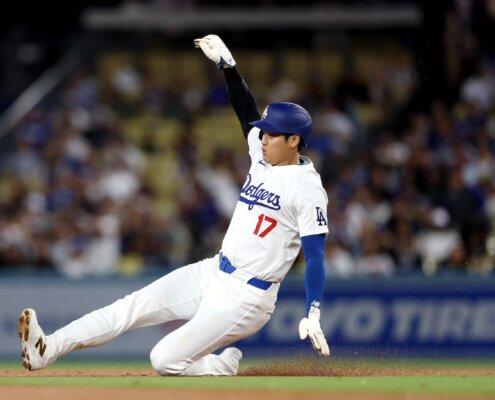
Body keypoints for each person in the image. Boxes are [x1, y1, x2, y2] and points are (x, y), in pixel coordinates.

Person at [18, 34, 330, 376]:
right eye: (264, 132)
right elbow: (246, 112)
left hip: (248, 297)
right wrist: (228, 67)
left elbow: (315, 255)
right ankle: (46, 349)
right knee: (131, 307)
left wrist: (313, 310)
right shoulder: (264, 155)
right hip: (215, 270)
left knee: (163, 360)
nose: (263, 137)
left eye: (271, 133)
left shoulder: (307, 188)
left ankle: (220, 368)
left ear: (294, 140)